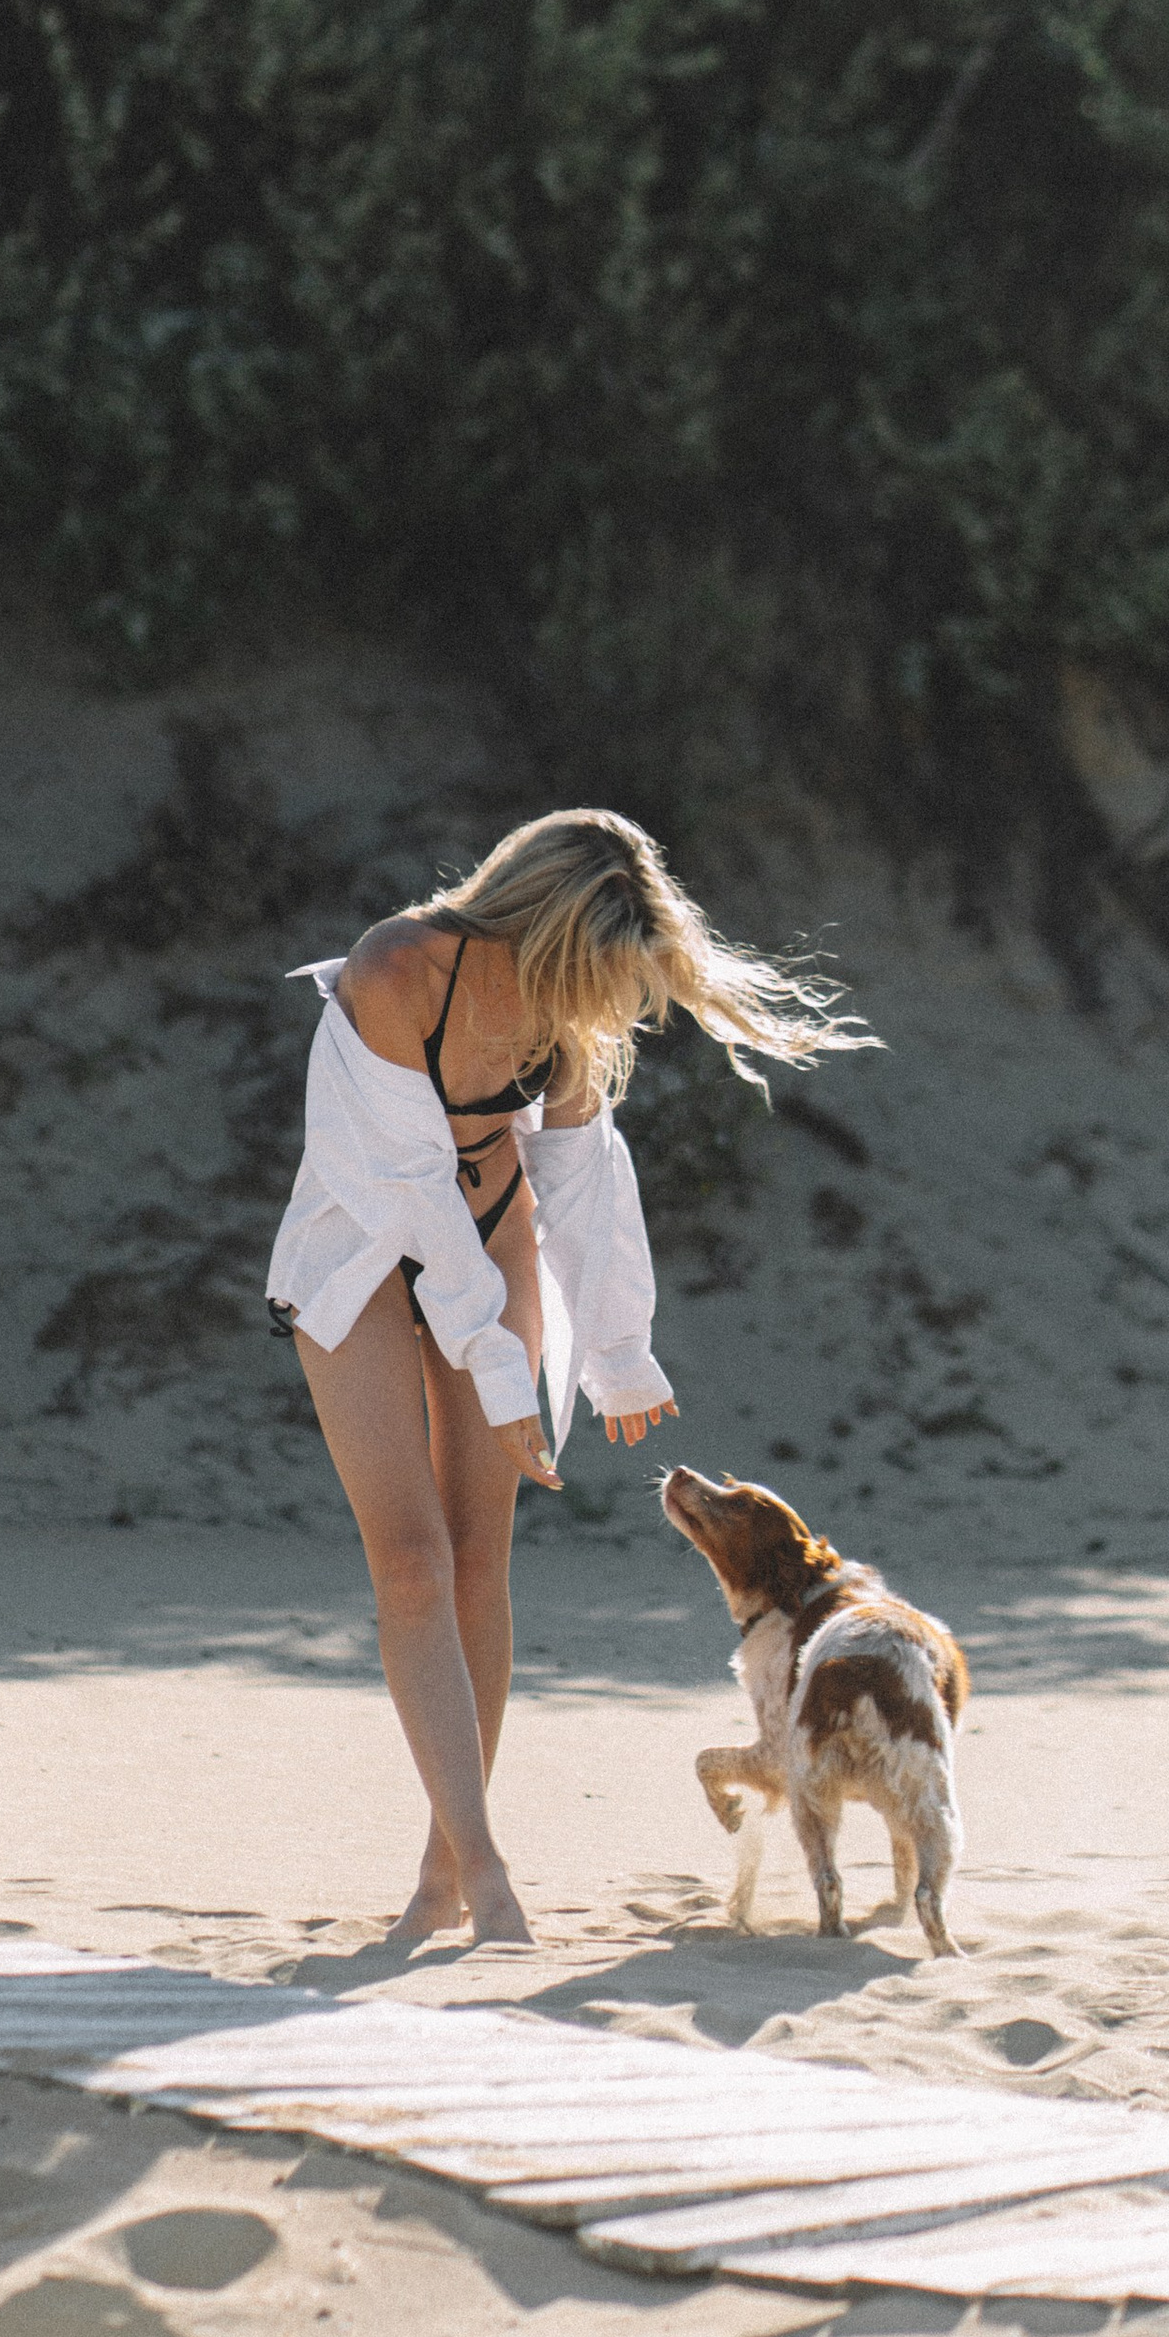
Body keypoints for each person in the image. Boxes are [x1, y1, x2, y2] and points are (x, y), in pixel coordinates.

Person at [266, 807, 867, 1947]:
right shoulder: (398, 970)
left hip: (495, 1248)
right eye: (589, 969)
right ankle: (488, 1871)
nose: (597, 1002)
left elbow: (583, 1181)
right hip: (361, 1261)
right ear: (541, 925)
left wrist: (617, 1352)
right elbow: (405, 1200)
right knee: (409, 1560)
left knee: (479, 1560)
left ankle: (444, 1874)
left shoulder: (565, 1016)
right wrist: (498, 1370)